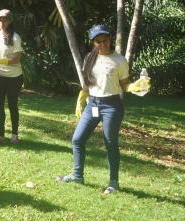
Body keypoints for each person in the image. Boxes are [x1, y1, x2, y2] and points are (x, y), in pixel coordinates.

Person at [56, 25, 151, 194]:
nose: (102, 44)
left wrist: (135, 87)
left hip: (111, 106)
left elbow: (124, 86)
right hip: (93, 104)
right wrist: (81, 98)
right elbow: (88, 81)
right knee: (77, 139)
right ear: (93, 43)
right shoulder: (89, 58)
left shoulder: (120, 61)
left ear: (110, 38)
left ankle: (113, 182)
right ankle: (78, 175)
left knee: (110, 143)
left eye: (105, 40)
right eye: (98, 41)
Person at [0, 9, 24, 144]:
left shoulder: (15, 38)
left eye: (5, 20)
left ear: (10, 21)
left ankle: (14, 135)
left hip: (14, 77)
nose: (2, 22)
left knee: (12, 105)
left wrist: (1, 61)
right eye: (0, 19)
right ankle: (0, 135)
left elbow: (17, 59)